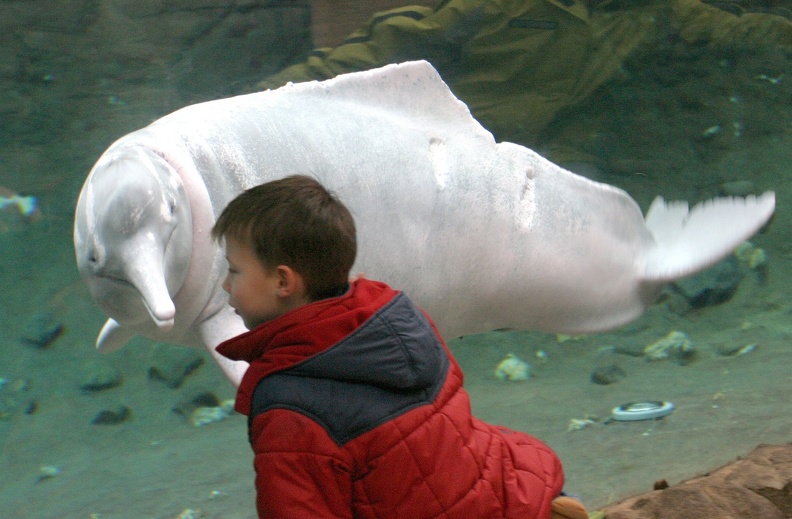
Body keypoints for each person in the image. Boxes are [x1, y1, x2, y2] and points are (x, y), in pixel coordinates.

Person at [211, 174, 588, 518]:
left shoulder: (286, 404)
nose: (227, 285)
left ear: (283, 281)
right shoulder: (391, 314)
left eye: (234, 270)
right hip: (485, 486)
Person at [252, 0, 792, 168]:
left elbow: (736, 30)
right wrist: (263, 101)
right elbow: (385, 44)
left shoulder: (651, 11)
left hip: (513, 155)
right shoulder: (507, 4)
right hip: (421, 136)